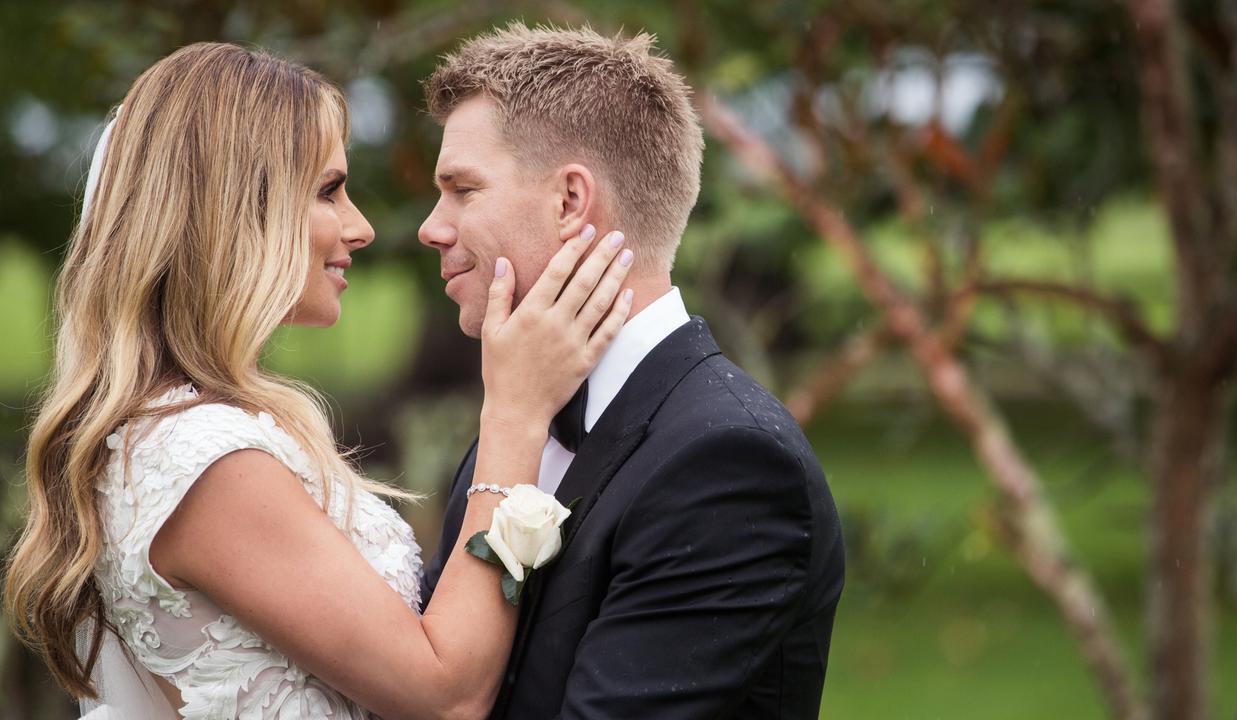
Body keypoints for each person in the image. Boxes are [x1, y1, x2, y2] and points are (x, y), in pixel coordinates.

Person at [3, 41, 633, 719]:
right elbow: (446, 694)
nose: (361, 227)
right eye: (329, 190)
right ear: (234, 209)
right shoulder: (205, 464)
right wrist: (514, 414)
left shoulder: (182, 433)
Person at [418, 24, 846, 719]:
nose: (431, 228)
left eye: (463, 190)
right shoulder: (517, 418)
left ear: (569, 202)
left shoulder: (730, 463)